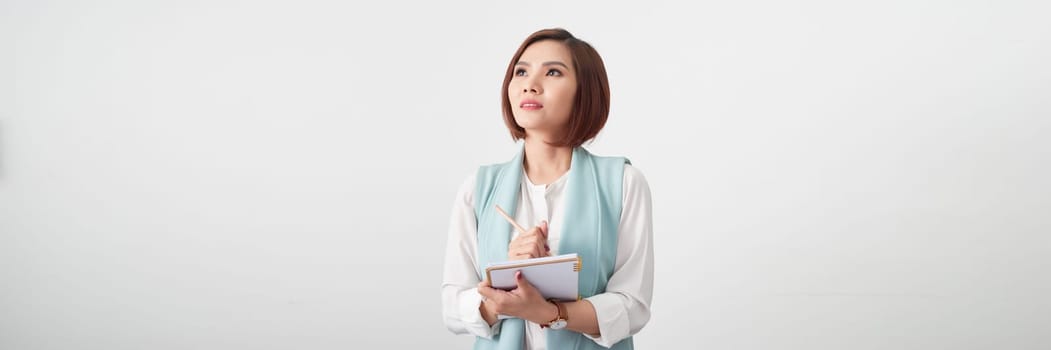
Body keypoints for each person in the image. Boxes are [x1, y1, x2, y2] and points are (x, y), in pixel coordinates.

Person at [441, 28, 654, 350]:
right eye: (521, 71)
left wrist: (550, 312)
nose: (530, 84)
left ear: (585, 91)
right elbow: (453, 308)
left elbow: (632, 305)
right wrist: (502, 293)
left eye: (553, 72)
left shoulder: (623, 183)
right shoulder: (477, 189)